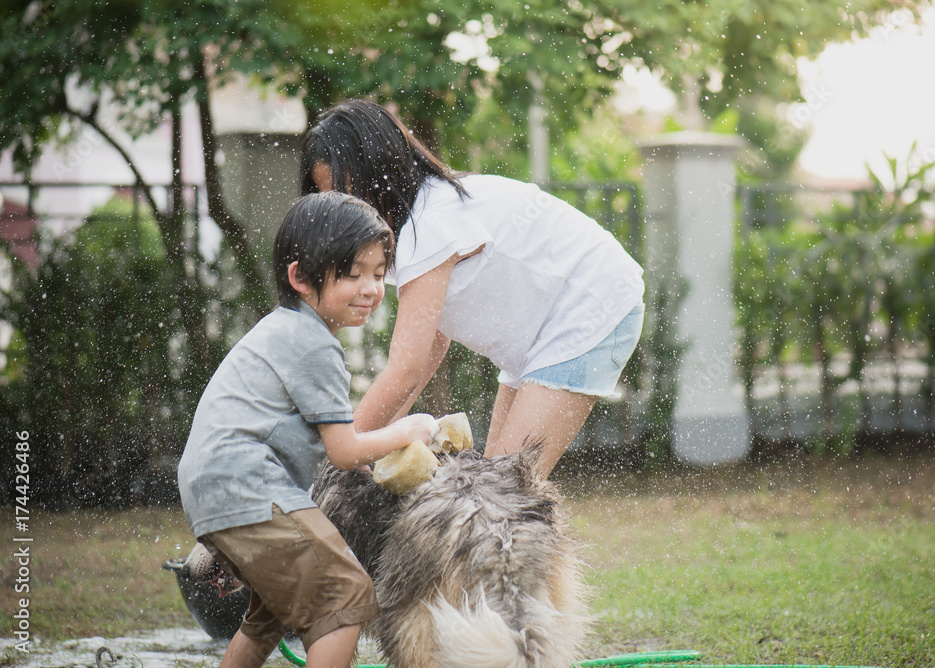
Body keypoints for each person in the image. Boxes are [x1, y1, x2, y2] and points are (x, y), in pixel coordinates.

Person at [300, 99, 644, 478]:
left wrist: (338, 454)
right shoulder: (417, 223)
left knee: (505, 489)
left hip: (591, 302)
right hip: (551, 321)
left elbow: (405, 369)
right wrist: (367, 445)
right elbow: (431, 345)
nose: (346, 211)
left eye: (350, 192)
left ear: (380, 169)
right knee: (495, 480)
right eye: (331, 198)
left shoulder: (429, 225)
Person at [177, 191, 437, 668]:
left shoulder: (284, 330)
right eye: (352, 273)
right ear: (300, 278)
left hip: (215, 485)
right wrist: (409, 431)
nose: (370, 288)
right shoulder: (313, 345)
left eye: (379, 275)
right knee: (342, 596)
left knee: (270, 615)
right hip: (250, 485)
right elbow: (345, 451)